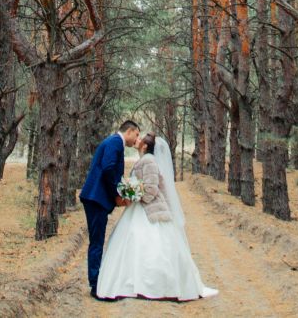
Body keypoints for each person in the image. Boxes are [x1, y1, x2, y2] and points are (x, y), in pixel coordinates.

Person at [94, 132, 218, 302]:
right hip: (139, 207)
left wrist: (134, 195)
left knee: (150, 243)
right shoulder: (144, 160)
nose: (137, 139)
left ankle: (154, 285)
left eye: (140, 138)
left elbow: (151, 189)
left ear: (145, 146)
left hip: (148, 208)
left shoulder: (149, 161)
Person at [79, 119, 139, 299]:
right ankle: (95, 286)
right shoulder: (115, 142)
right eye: (136, 135)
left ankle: (97, 282)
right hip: (96, 198)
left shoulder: (114, 142)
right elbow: (108, 168)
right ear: (129, 131)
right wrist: (117, 195)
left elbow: (109, 170)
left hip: (95, 198)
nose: (136, 139)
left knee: (97, 241)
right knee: (96, 242)